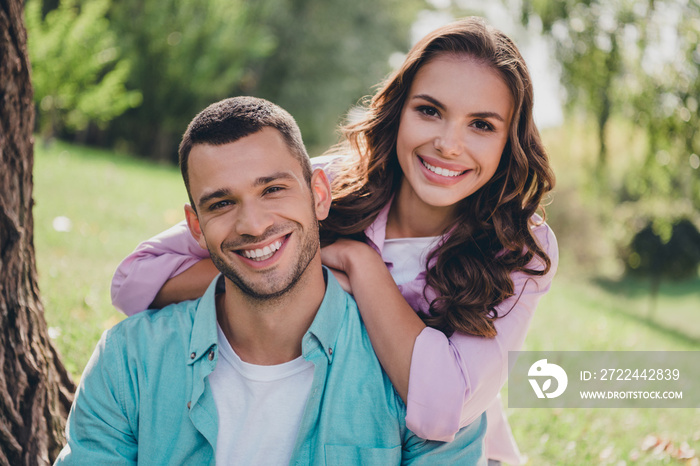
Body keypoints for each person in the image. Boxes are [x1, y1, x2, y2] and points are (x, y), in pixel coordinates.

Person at [111, 17, 558, 465]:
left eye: (481, 125)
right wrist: (283, 268)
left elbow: (444, 410)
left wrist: (359, 266)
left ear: (509, 140)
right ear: (399, 110)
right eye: (429, 110)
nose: (448, 144)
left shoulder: (519, 247)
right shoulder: (331, 184)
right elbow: (134, 281)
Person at [56, 96, 487, 465]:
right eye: (222, 203)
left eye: (273, 190)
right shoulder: (129, 362)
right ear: (196, 226)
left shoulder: (415, 379)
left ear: (319, 195)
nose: (253, 224)